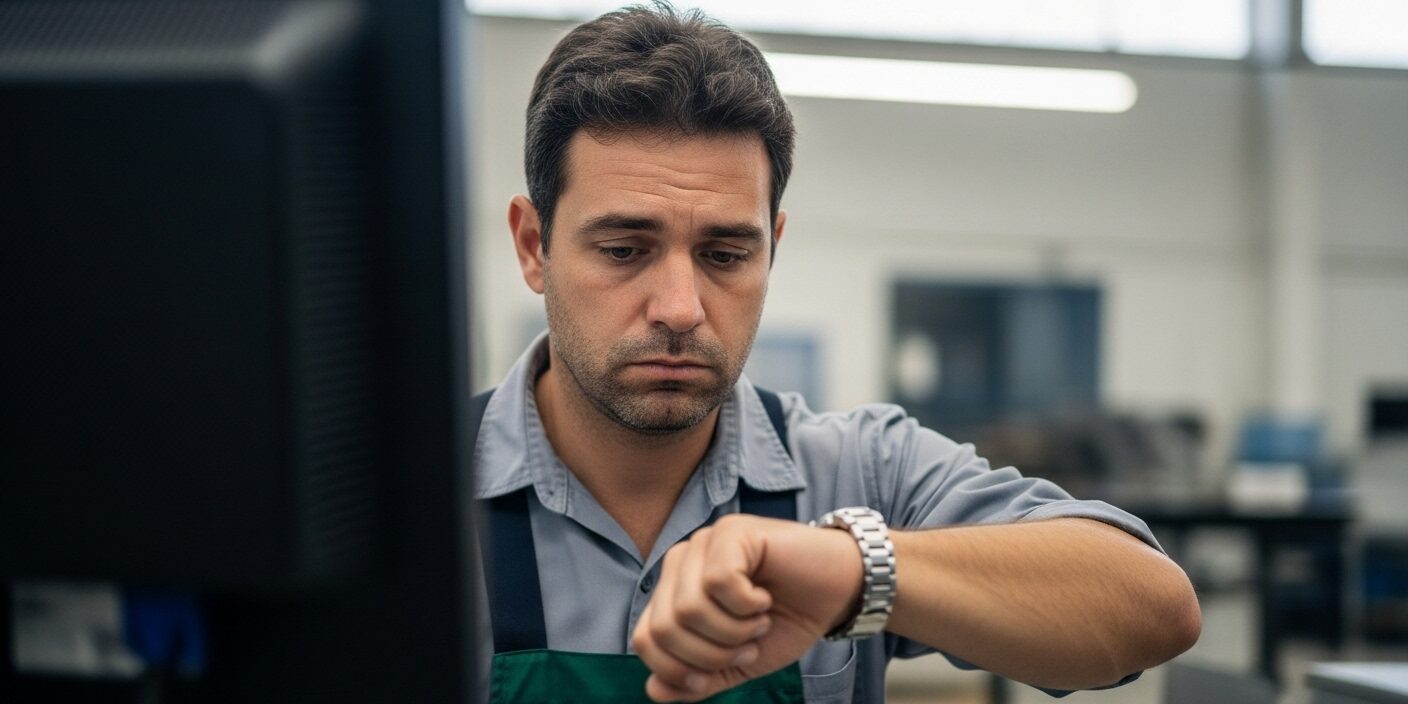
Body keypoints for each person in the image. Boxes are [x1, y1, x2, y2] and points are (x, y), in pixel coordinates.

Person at [471, 4, 1202, 702]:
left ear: (772, 250)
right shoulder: (401, 495)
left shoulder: (860, 476)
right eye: (625, 250)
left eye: (725, 255)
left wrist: (860, 569)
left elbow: (1154, 608)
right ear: (535, 247)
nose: (680, 308)